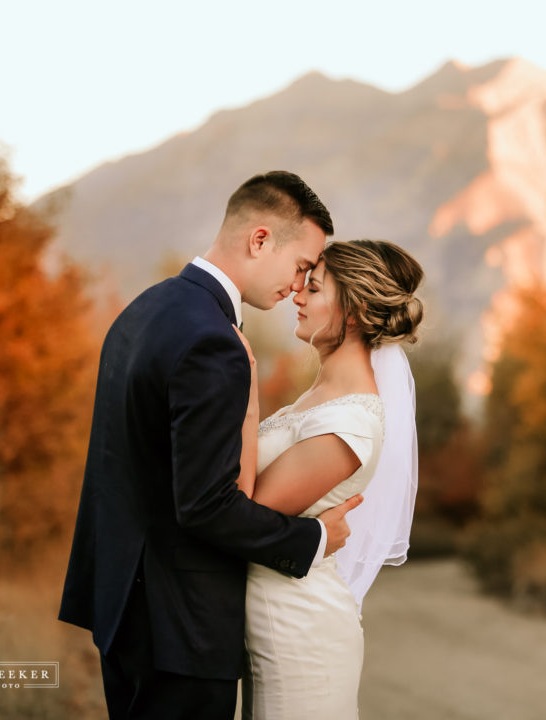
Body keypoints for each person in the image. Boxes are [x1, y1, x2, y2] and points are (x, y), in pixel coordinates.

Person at [58, 171, 364, 720]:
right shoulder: (213, 342)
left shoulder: (144, 311)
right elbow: (205, 504)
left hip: (123, 610)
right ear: (260, 239)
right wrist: (312, 538)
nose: (298, 287)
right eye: (299, 268)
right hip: (179, 630)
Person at [233, 239, 424, 719]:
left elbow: (249, 511)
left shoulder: (352, 420)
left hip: (300, 632)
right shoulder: (321, 396)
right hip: (271, 619)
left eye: (314, 288)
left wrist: (246, 396)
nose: (297, 293)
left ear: (354, 313)